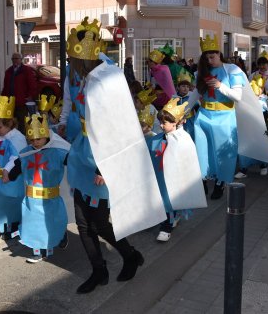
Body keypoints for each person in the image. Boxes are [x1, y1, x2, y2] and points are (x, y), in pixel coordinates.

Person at [65, 17, 164, 294]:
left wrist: (103, 167)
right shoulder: (88, 75)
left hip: (102, 159)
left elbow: (118, 125)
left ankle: (130, 255)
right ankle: (99, 271)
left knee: (98, 222)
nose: (70, 63)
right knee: (83, 223)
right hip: (83, 152)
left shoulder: (108, 77)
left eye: (73, 58)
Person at [3, 114, 70, 263]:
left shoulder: (57, 152)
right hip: (32, 199)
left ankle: (61, 235)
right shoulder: (27, 152)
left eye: (38, 139)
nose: (35, 142)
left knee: (53, 222)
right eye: (32, 140)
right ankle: (40, 251)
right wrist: (10, 176)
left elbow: (72, 161)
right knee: (35, 225)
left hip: (50, 198)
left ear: (46, 136)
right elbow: (19, 165)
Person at [194, 35, 246, 199]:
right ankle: (203, 179)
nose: (210, 61)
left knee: (223, 152)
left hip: (224, 118)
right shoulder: (202, 72)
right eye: (206, 57)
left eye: (212, 57)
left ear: (219, 54)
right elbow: (195, 94)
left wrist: (220, 86)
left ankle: (220, 182)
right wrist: (180, 112)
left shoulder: (232, 70)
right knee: (202, 151)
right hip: (203, 116)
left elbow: (237, 96)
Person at [146, 98, 206, 242]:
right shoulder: (161, 137)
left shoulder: (183, 139)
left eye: (164, 123)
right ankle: (164, 217)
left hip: (174, 177)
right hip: (161, 175)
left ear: (176, 122)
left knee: (170, 196)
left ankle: (168, 225)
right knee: (160, 196)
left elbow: (186, 161)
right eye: (160, 122)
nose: (160, 125)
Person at [236, 51, 268, 180]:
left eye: (264, 64)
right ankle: (244, 167)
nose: (262, 66)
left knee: (264, 136)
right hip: (253, 108)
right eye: (260, 64)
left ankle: (264, 165)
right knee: (249, 136)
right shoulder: (253, 75)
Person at [0, 96, 27, 239]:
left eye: (0, 127)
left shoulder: (16, 138)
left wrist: (7, 171)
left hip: (10, 178)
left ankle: (13, 225)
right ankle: (0, 225)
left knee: (9, 201)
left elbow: (16, 157)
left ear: (10, 123)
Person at [1, 52, 38, 133]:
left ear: (21, 60)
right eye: (13, 59)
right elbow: (5, 86)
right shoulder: (8, 71)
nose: (15, 60)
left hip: (21, 102)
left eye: (17, 58)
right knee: (10, 123)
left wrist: (29, 97)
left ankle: (22, 140)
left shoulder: (26, 70)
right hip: (10, 103)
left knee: (22, 123)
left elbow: (32, 85)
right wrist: (3, 99)